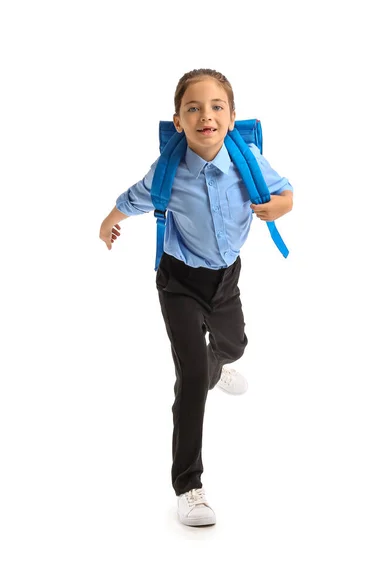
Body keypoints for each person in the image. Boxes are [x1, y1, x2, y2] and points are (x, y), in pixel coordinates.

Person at [99, 68, 293, 527]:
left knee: (234, 345)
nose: (205, 115)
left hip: (225, 279)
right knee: (189, 383)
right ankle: (188, 485)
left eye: (215, 107)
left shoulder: (248, 161)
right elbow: (133, 197)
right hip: (179, 282)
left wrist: (281, 205)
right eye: (193, 108)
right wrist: (107, 221)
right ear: (178, 120)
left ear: (230, 117)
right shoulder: (167, 173)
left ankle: (216, 365)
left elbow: (286, 191)